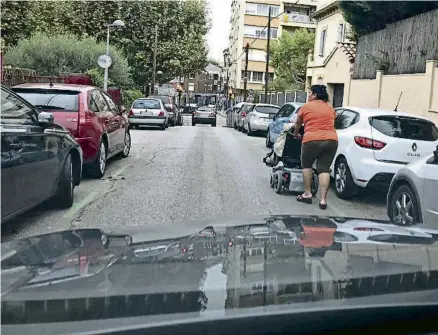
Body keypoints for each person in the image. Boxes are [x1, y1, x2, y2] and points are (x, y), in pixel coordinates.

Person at [293, 85, 338, 209]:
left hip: (311, 139)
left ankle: (307, 194)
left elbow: (298, 123)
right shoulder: (330, 107)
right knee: (324, 169)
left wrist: (296, 134)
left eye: (309, 93)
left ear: (315, 95)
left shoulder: (306, 106)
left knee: (306, 165)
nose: (308, 95)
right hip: (331, 140)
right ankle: (323, 200)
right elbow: (335, 119)